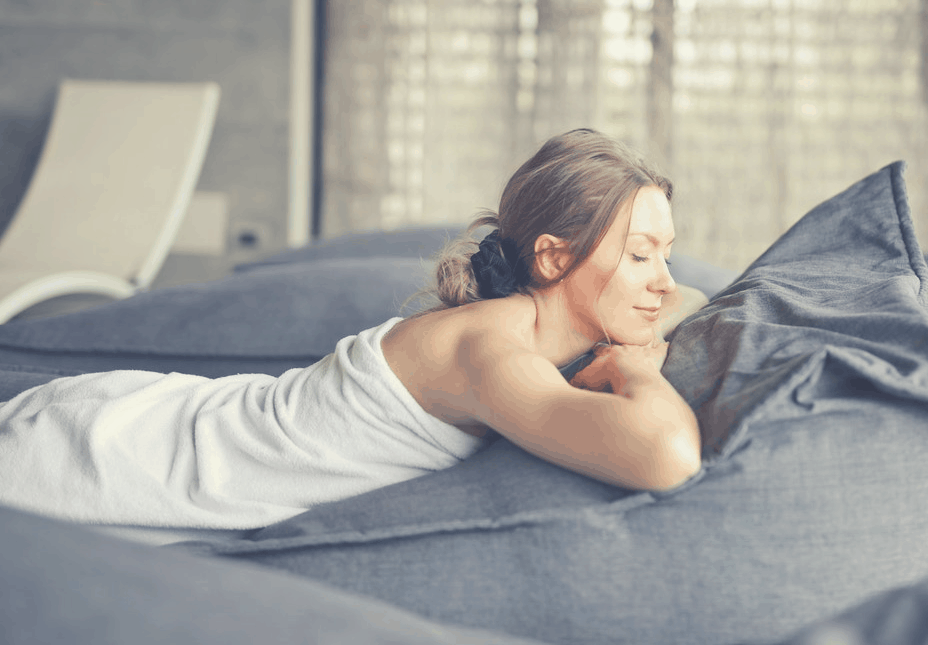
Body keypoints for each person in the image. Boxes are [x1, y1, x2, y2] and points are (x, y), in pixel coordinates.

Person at [0, 129, 706, 535]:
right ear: (553, 256)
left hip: (156, 419)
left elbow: (694, 296)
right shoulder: (490, 354)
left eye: (665, 253)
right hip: (109, 453)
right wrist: (633, 366)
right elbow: (669, 457)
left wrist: (627, 333)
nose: (663, 280)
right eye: (640, 255)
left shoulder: (530, 327)